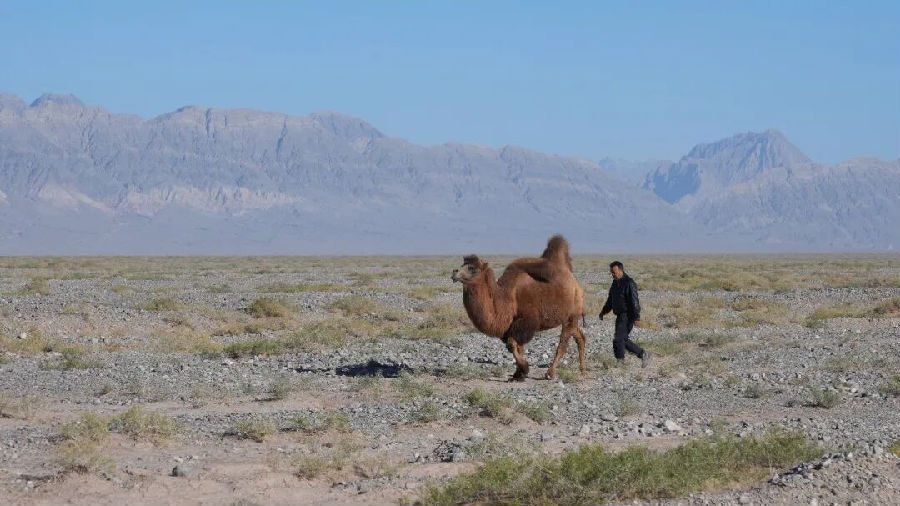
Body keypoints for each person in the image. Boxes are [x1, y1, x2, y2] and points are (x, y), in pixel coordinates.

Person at [599, 261, 651, 367]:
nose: (612, 275)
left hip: (627, 315)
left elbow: (634, 301)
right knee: (623, 339)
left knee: (618, 339)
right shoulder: (615, 283)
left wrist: (636, 317)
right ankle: (643, 354)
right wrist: (604, 311)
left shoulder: (629, 283)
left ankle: (620, 362)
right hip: (620, 315)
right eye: (611, 273)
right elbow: (611, 300)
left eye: (614, 272)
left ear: (621, 270)